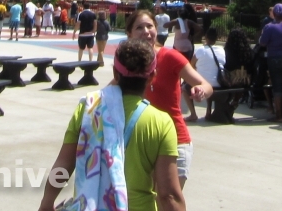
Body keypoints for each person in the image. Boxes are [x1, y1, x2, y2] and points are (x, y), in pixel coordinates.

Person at [38, 39, 185, 211]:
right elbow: (169, 195)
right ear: (152, 77)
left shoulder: (88, 109)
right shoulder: (161, 122)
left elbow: (63, 166)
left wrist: (47, 203)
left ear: (115, 73)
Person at [125, 10, 212, 189]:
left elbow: (206, 85)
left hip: (175, 140)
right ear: (129, 34)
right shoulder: (127, 62)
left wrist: (201, 90)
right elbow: (112, 90)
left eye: (150, 26)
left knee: (170, 201)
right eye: (139, 27)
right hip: (141, 143)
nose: (146, 31)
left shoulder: (170, 56)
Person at [173, 4, 202, 120]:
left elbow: (166, 25)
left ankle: (180, 86)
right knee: (187, 66)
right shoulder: (190, 21)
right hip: (188, 46)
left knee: (176, 68)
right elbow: (200, 29)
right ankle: (185, 84)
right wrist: (192, 36)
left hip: (179, 46)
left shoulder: (178, 22)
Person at [192, 27, 227, 118]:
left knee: (184, 88)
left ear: (206, 37)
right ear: (216, 38)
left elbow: (191, 65)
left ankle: (193, 114)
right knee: (209, 77)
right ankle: (208, 110)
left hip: (204, 85)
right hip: (219, 83)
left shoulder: (201, 50)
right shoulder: (221, 50)